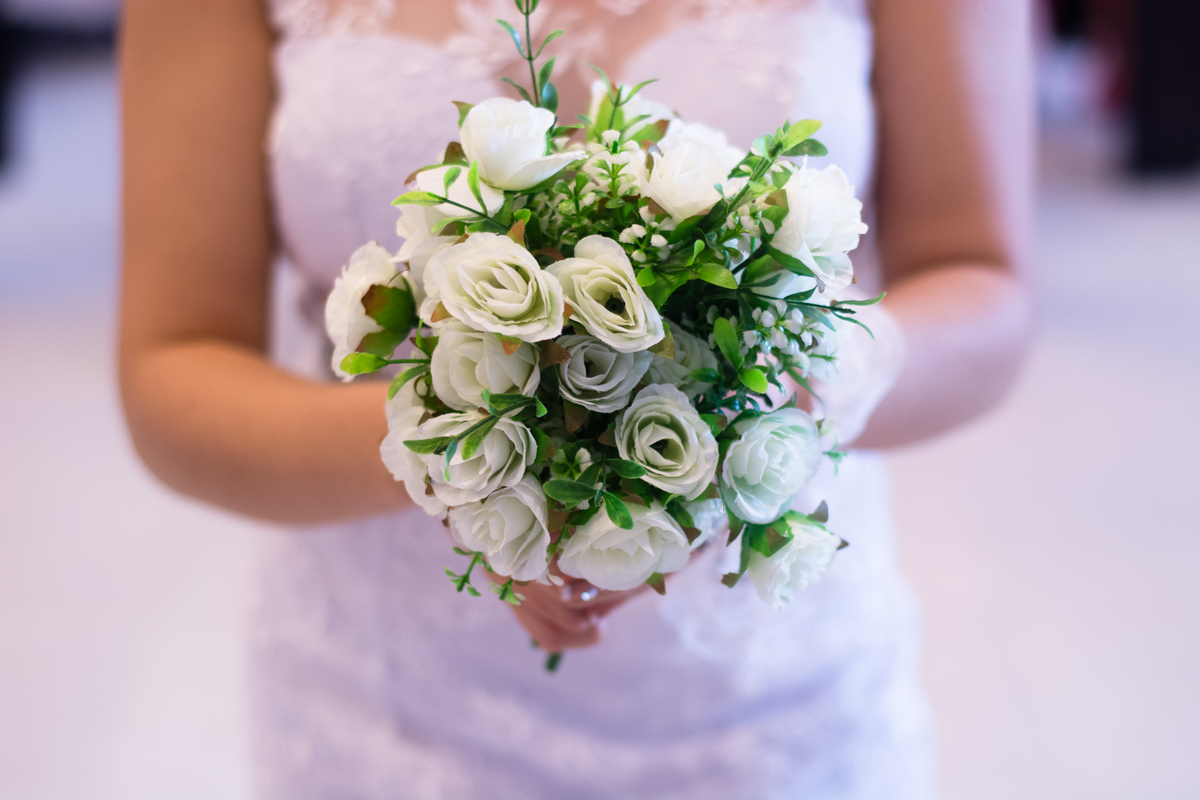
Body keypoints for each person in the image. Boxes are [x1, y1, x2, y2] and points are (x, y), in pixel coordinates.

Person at [118, 0, 1033, 796]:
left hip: (767, 716)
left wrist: (809, 384)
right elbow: (173, 365)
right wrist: (460, 451)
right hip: (388, 717)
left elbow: (982, 283)